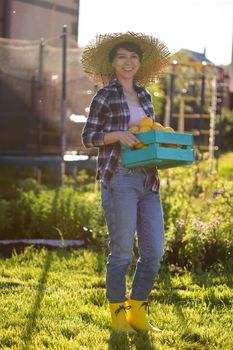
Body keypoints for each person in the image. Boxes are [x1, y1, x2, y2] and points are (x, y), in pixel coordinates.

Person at [81, 32, 170, 333]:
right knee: (121, 252)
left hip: (148, 180)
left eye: (133, 57)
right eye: (121, 57)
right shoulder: (105, 95)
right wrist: (118, 136)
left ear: (140, 62)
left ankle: (138, 313)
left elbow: (147, 135)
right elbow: (88, 138)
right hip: (118, 178)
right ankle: (118, 317)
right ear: (113, 62)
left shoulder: (145, 96)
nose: (128, 62)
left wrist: (162, 146)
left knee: (154, 252)